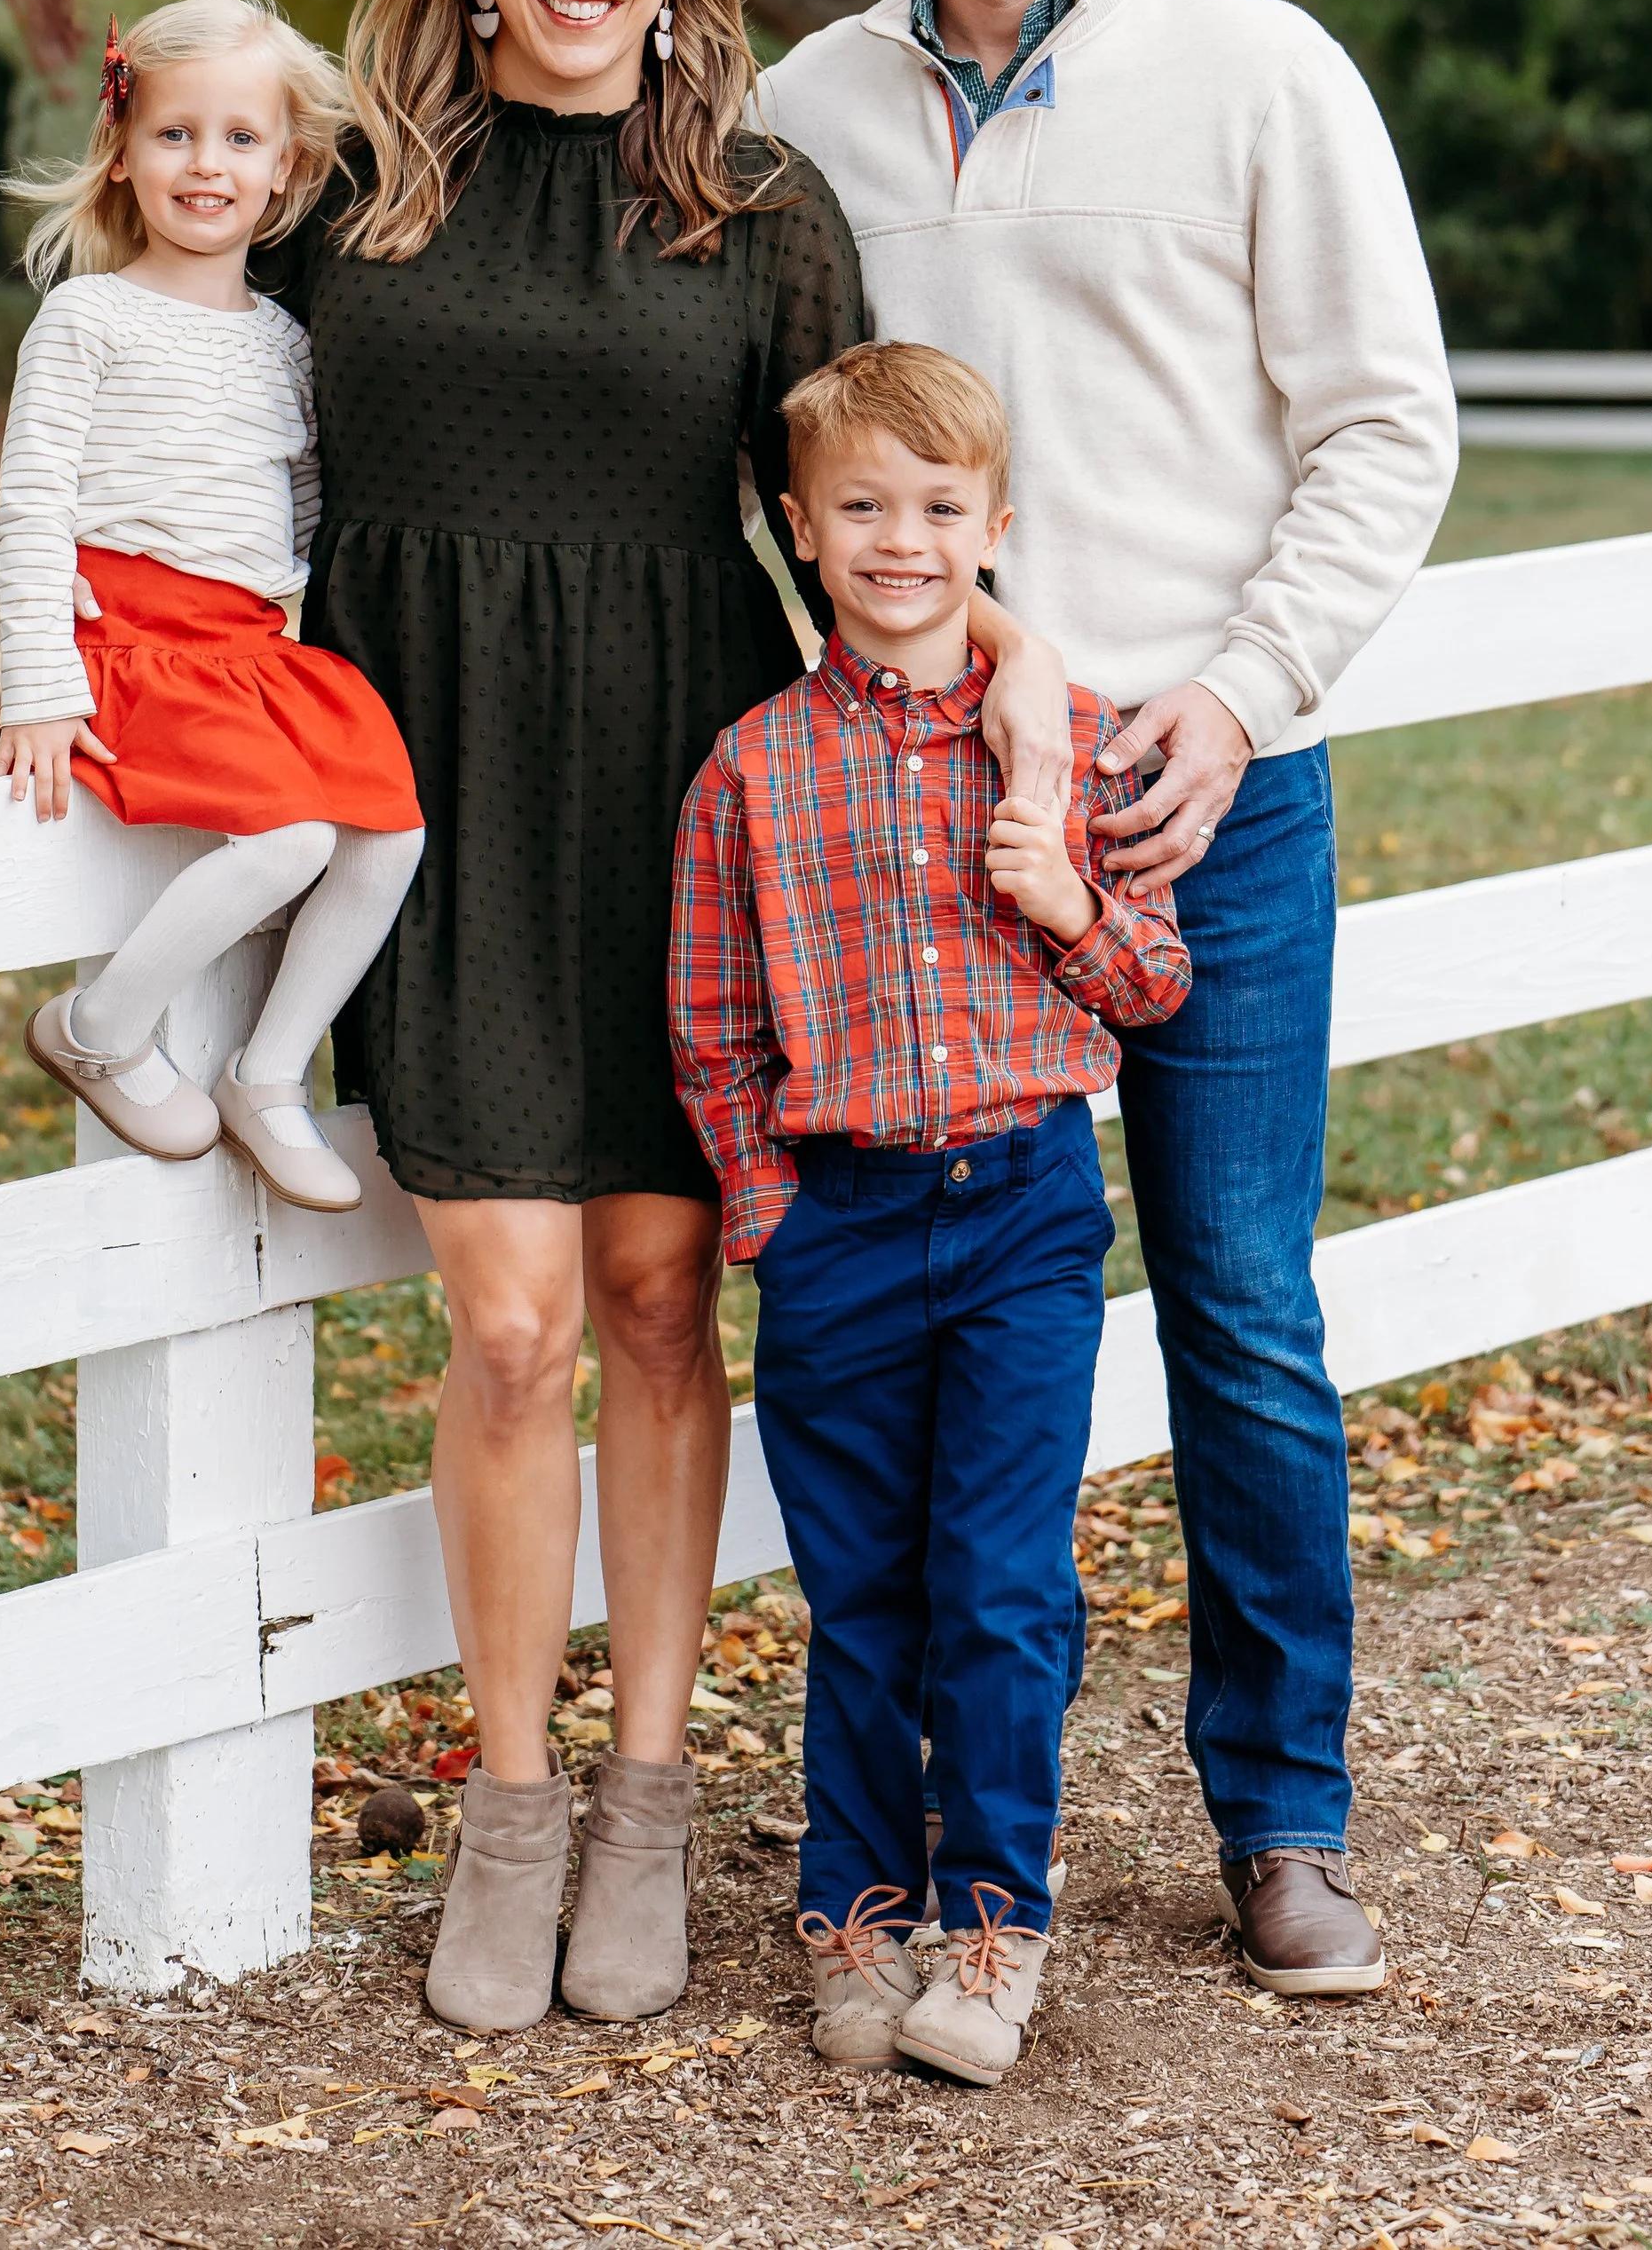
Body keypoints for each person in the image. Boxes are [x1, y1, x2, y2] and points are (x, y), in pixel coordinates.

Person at [256, 0, 1071, 2035]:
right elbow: (212, 437)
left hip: (684, 808)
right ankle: (503, 1815)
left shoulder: (751, 200)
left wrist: (1018, 676)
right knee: (504, 1326)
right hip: (427, 800)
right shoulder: (354, 194)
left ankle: (640, 1806)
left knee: (647, 1312)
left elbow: (877, 507)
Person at [756, 0, 1459, 1996]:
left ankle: (1281, 1817)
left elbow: (1385, 422)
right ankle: (948, 1842)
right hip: (912, 837)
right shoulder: (800, 114)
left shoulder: (1257, 71)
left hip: (1203, 795)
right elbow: (764, 455)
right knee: (943, 1331)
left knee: (1238, 1304)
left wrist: (1239, 700)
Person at [668, 340, 1190, 2086]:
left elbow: (1152, 980)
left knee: (994, 1579)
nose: (901, 539)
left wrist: (1061, 903)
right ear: (800, 529)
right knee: (861, 1590)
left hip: (1022, 1207)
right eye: (862, 508)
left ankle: (991, 1922)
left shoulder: (1068, 741)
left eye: (939, 507)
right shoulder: (748, 771)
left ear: (996, 521)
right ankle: (856, 1911)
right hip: (843, 1225)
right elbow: (709, 1024)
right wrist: (766, 1216)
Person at [0, 0, 424, 1214]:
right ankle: (96, 1026)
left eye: (241, 139)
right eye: (177, 134)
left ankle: (268, 1071)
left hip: (246, 644)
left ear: (284, 169)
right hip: (127, 640)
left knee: (389, 827)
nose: (206, 164)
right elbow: (28, 511)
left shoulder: (285, 340)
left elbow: (292, 512)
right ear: (124, 151)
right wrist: (40, 675)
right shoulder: (88, 318)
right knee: (287, 835)